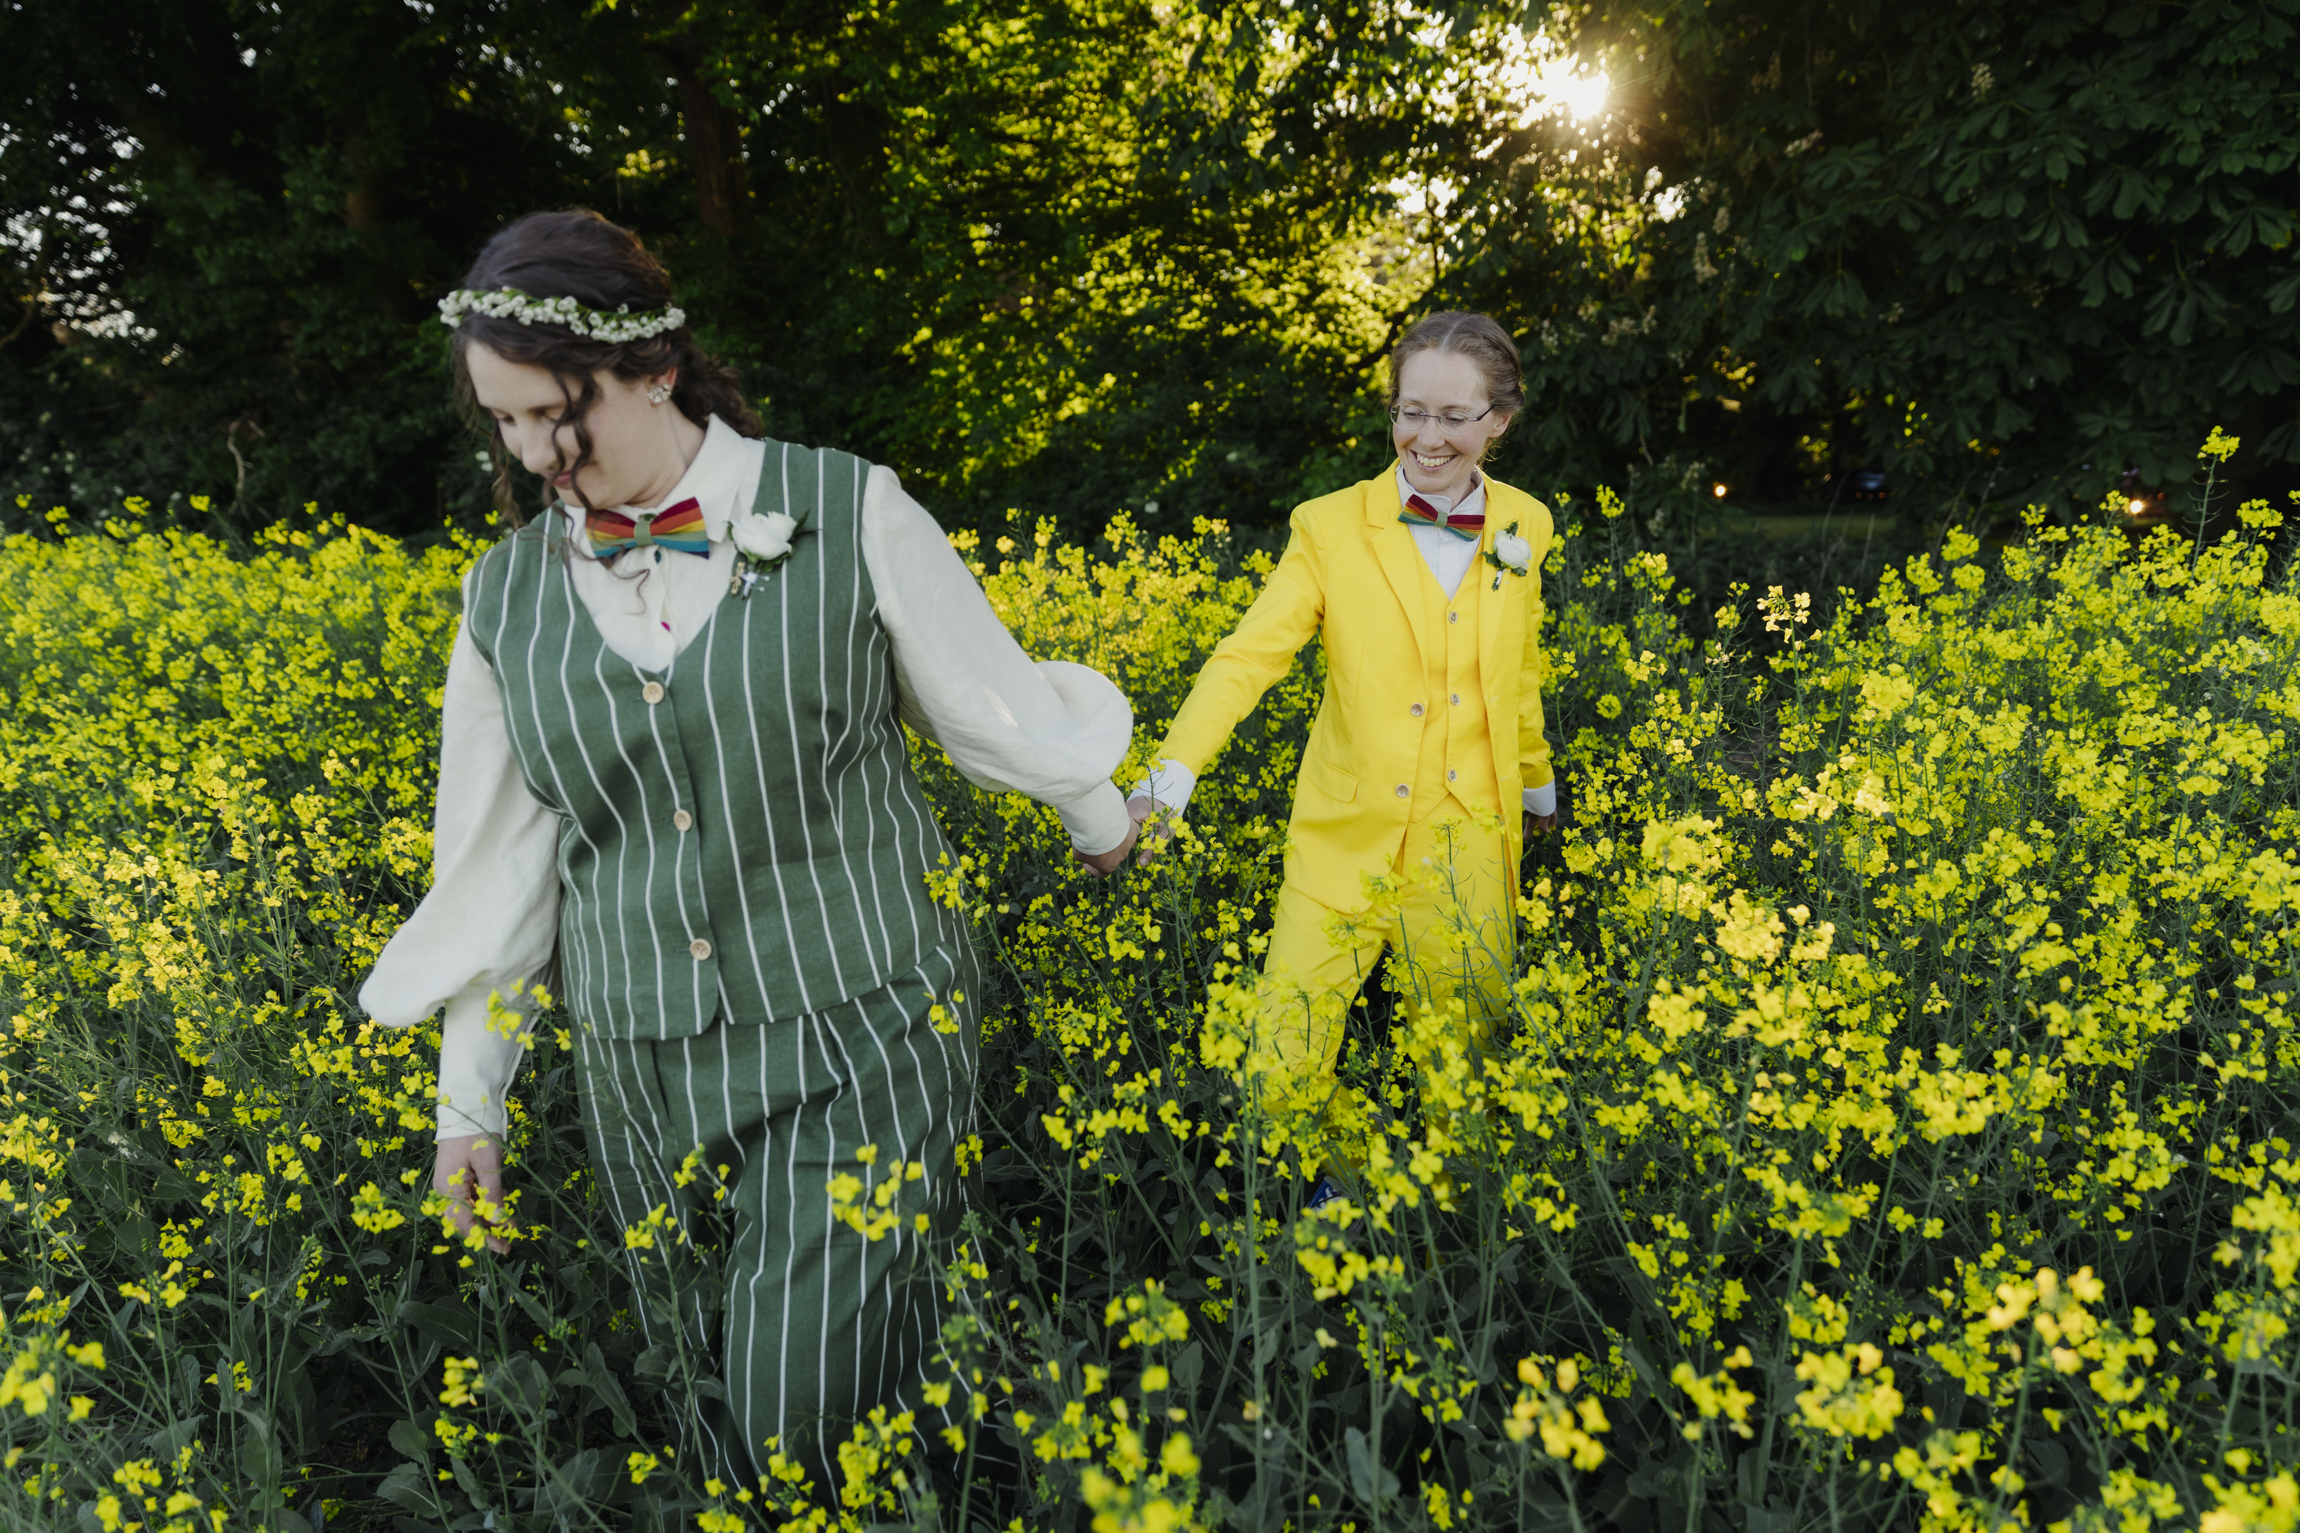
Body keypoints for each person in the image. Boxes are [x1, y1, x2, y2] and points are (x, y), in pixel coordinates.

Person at [360, 209, 1140, 1492]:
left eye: (559, 413)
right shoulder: (501, 597)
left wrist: (1103, 824)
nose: (533, 453)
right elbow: (495, 867)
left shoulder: (847, 505)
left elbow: (983, 705)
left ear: (654, 371)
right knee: (700, 1381)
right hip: (637, 1063)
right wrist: (467, 1107)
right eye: (500, 421)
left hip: (863, 1025)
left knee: (789, 1413)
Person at [1127, 312, 1557, 1194]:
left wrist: (1540, 793)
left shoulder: (1527, 525)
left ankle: (1439, 1241)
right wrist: (1166, 783)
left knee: (1462, 1075)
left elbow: (1518, 677)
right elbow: (1249, 657)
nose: (1426, 438)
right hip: (1342, 837)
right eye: (1410, 412)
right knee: (1280, 1057)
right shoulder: (1328, 526)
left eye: (1452, 416)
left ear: (1499, 421)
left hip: (1471, 840)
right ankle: (1330, 1200)